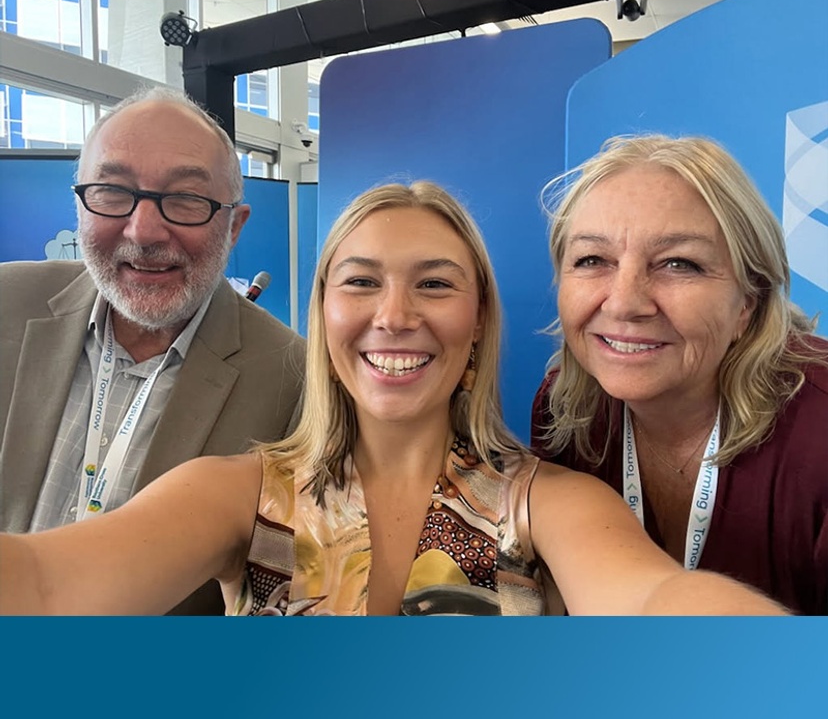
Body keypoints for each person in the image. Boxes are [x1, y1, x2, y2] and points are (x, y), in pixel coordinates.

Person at [0, 180, 788, 616]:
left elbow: (655, 603)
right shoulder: (235, 495)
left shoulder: (550, 503)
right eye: (362, 282)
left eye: (435, 285)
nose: (395, 316)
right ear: (323, 313)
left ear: (477, 320)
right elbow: (42, 581)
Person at [0, 85, 306, 615]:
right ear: (79, 201)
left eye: (186, 199)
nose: (143, 231)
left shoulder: (293, 380)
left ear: (235, 227)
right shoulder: (7, 304)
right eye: (113, 192)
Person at [530, 134, 828, 615]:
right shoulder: (564, 409)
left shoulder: (820, 430)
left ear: (747, 303)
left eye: (678, 264)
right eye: (592, 260)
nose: (625, 302)